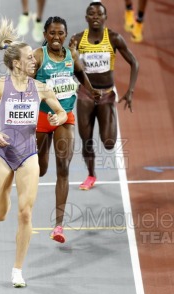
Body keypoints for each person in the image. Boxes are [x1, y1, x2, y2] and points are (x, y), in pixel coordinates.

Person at [0, 9, 67, 288]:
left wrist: (58, 117)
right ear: (15, 63)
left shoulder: (42, 88)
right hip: (3, 155)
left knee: (25, 213)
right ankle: (5, 194)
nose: (34, 62)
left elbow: (59, 112)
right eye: (28, 60)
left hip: (28, 155)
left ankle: (17, 270)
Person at [33, 16, 101, 243]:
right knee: (41, 170)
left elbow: (80, 73)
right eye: (51, 33)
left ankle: (58, 226)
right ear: (45, 35)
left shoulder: (71, 55)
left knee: (63, 167)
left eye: (60, 33)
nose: (56, 37)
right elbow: (24, 83)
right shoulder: (38, 56)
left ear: (65, 34)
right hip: (42, 118)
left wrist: (91, 90)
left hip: (65, 117)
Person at [69, 2, 139, 190]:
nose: (95, 17)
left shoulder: (114, 38)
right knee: (86, 139)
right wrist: (73, 55)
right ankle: (91, 175)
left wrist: (130, 91)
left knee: (109, 143)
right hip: (85, 94)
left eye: (99, 14)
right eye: (91, 14)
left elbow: (134, 63)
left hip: (107, 95)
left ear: (105, 18)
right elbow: (71, 70)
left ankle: (110, 115)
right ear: (86, 18)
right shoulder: (77, 39)